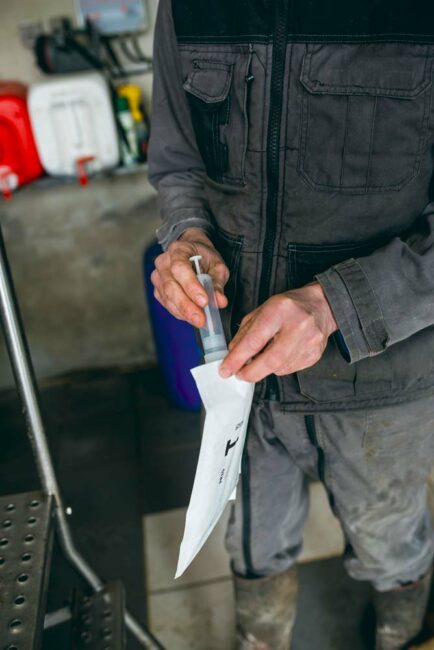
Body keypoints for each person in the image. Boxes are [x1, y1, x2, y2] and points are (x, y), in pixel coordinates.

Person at [148, 1, 434, 648]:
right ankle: (261, 636)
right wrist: (187, 233)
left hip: (383, 381)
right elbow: (177, 159)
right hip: (241, 373)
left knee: (391, 543)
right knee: (251, 540)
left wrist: (335, 303)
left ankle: (403, 631)